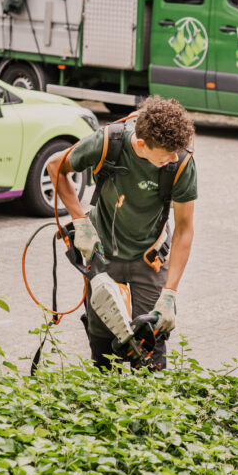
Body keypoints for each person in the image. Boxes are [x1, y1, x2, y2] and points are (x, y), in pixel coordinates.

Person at [47, 96, 197, 369]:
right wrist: (80, 222)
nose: (175, 158)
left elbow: (185, 230)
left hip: (150, 258)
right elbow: (56, 166)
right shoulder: (107, 143)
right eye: (168, 155)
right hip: (103, 256)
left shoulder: (182, 162)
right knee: (104, 351)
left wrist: (170, 294)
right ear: (141, 145)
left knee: (151, 351)